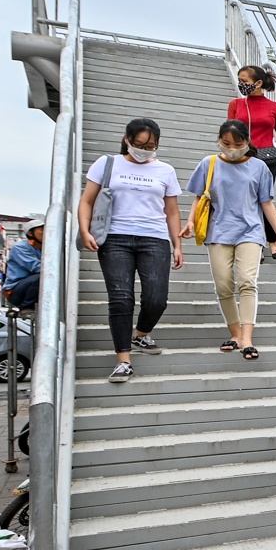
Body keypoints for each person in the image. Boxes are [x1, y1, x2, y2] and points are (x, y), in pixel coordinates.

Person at [79, 118, 184, 384]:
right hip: (115, 239)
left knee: (157, 298)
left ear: (157, 144)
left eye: (150, 145)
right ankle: (123, 360)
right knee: (121, 298)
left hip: (155, 239)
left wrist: (177, 245)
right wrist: (85, 231)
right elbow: (87, 201)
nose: (143, 149)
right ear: (127, 139)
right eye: (138, 144)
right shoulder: (107, 164)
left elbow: (171, 211)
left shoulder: (165, 170)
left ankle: (141, 334)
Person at [185, 120, 276, 360]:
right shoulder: (209, 163)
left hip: (251, 231)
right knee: (223, 284)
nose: (231, 148)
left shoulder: (260, 167)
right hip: (218, 231)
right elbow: (200, 197)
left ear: (248, 141)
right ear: (219, 140)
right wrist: (190, 221)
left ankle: (246, 338)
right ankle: (234, 333)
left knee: (246, 282)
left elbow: (266, 203)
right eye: (225, 143)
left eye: (238, 143)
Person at [229, 65, 276, 258]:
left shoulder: (275, 108)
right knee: (246, 202)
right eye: (240, 80)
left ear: (258, 83)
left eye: (244, 81)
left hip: (267, 160)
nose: (241, 84)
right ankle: (256, 244)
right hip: (241, 159)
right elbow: (228, 133)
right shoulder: (236, 104)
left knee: (264, 200)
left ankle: (272, 241)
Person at [1, 218, 45, 310]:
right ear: (30, 233)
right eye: (41, 230)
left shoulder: (42, 248)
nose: (45, 233)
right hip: (15, 291)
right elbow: (37, 267)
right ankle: (26, 307)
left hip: (30, 287)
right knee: (42, 276)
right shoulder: (20, 248)